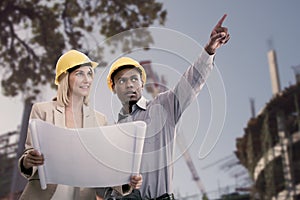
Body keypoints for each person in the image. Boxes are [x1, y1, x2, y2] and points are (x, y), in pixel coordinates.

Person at [105, 14, 230, 200]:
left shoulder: (163, 106)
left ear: (141, 84)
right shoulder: (111, 132)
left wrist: (209, 50)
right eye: (122, 80)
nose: (129, 84)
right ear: (113, 88)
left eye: (134, 79)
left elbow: (192, 81)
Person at [18, 50, 142, 200]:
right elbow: (30, 153)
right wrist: (27, 161)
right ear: (65, 77)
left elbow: (105, 164)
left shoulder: (99, 120)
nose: (87, 80)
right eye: (80, 74)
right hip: (45, 194)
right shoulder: (42, 110)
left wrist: (126, 180)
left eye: (89, 74)